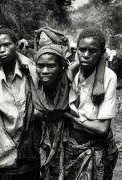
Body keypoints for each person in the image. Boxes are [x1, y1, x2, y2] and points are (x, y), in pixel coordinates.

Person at [0, 28, 41, 180]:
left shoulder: (31, 72)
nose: (2, 50)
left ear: (16, 45)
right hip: (4, 147)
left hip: (30, 148)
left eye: (7, 45)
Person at [63, 28, 118, 180]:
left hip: (95, 149)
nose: (86, 55)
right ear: (77, 50)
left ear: (101, 53)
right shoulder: (70, 74)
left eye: (92, 51)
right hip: (71, 148)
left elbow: (102, 129)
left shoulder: (108, 77)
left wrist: (69, 116)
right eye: (82, 50)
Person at [33, 44, 72, 180]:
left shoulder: (71, 83)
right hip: (39, 140)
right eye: (40, 66)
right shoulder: (31, 85)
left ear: (61, 68)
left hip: (68, 141)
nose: (44, 71)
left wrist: (63, 114)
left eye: (50, 66)